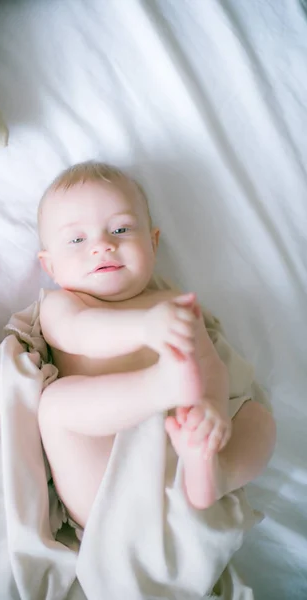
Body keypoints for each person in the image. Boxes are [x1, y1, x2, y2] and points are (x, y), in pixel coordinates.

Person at [37, 161, 276, 535]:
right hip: (105, 478)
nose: (103, 245)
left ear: (153, 242)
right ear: (50, 266)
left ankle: (216, 473)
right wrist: (145, 329)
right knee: (54, 405)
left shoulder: (174, 303)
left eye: (120, 228)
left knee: (259, 420)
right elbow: (81, 334)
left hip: (179, 455)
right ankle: (158, 387)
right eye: (77, 240)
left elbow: (208, 368)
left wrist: (210, 411)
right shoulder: (64, 305)